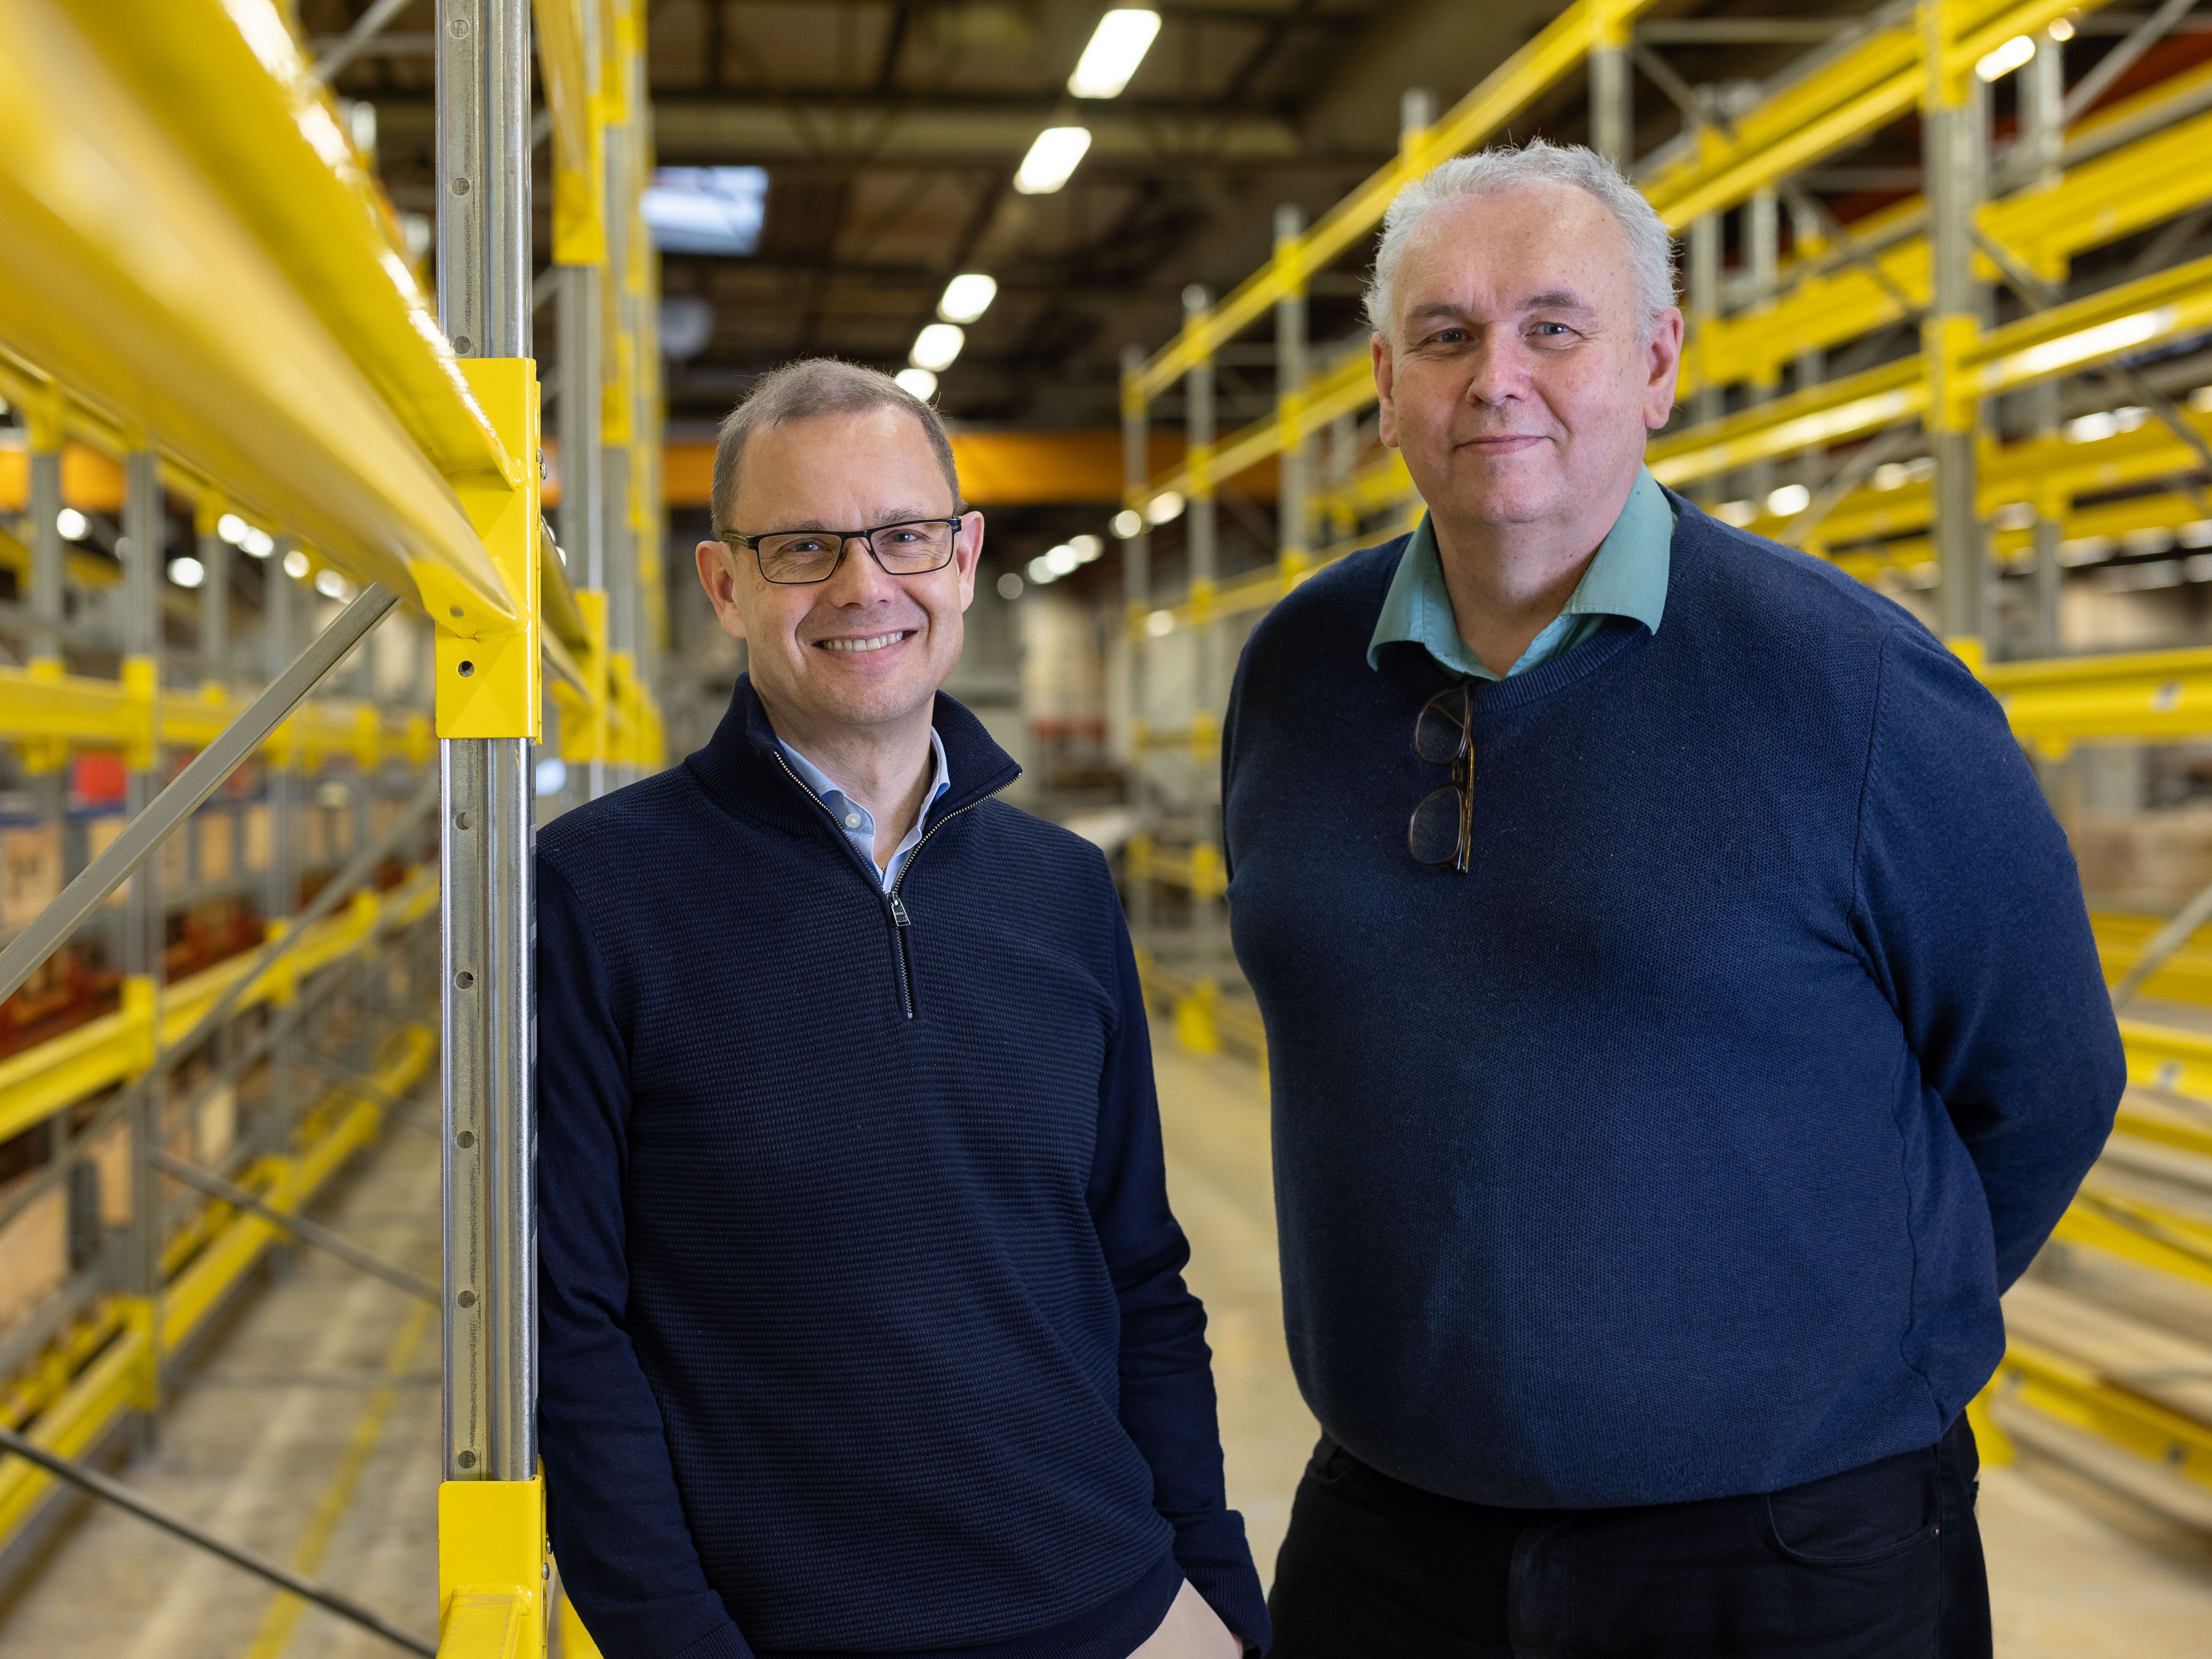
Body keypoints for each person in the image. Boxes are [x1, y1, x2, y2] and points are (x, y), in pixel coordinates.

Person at [1221, 140, 2125, 1657]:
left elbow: (2041, 1080)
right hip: (1386, 1534)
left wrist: (1835, 1355)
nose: (1495, 376)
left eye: (1552, 328)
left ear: (1655, 364)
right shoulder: (1299, 673)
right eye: (1445, 336)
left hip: (1783, 1555)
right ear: (1384, 385)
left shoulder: (1855, 687)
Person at [537, 359, 1266, 1659]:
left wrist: (1218, 1592)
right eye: (804, 546)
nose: (866, 585)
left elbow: (1140, 1278)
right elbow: (570, 1328)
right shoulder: (598, 891)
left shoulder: (1063, 891)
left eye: (904, 537)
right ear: (726, 585)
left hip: (1120, 1608)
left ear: (965, 555)